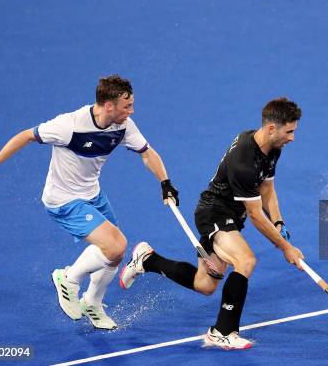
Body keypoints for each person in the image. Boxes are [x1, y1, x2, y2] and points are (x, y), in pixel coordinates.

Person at [0, 74, 179, 329]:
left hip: (93, 195)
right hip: (63, 200)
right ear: (109, 105)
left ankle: (92, 303)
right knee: (116, 245)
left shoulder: (123, 126)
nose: (131, 111)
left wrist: (165, 183)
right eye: (126, 106)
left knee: (114, 253)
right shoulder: (70, 125)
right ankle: (68, 278)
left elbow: (147, 154)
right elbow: (26, 135)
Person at [119, 97, 305, 349]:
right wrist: (285, 247)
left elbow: (267, 189)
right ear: (272, 128)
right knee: (246, 260)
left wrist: (279, 221)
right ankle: (222, 331)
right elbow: (255, 214)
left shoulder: (272, 148)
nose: (292, 137)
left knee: (205, 284)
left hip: (231, 215)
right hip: (214, 213)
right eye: (289, 131)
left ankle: (147, 259)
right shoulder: (244, 161)